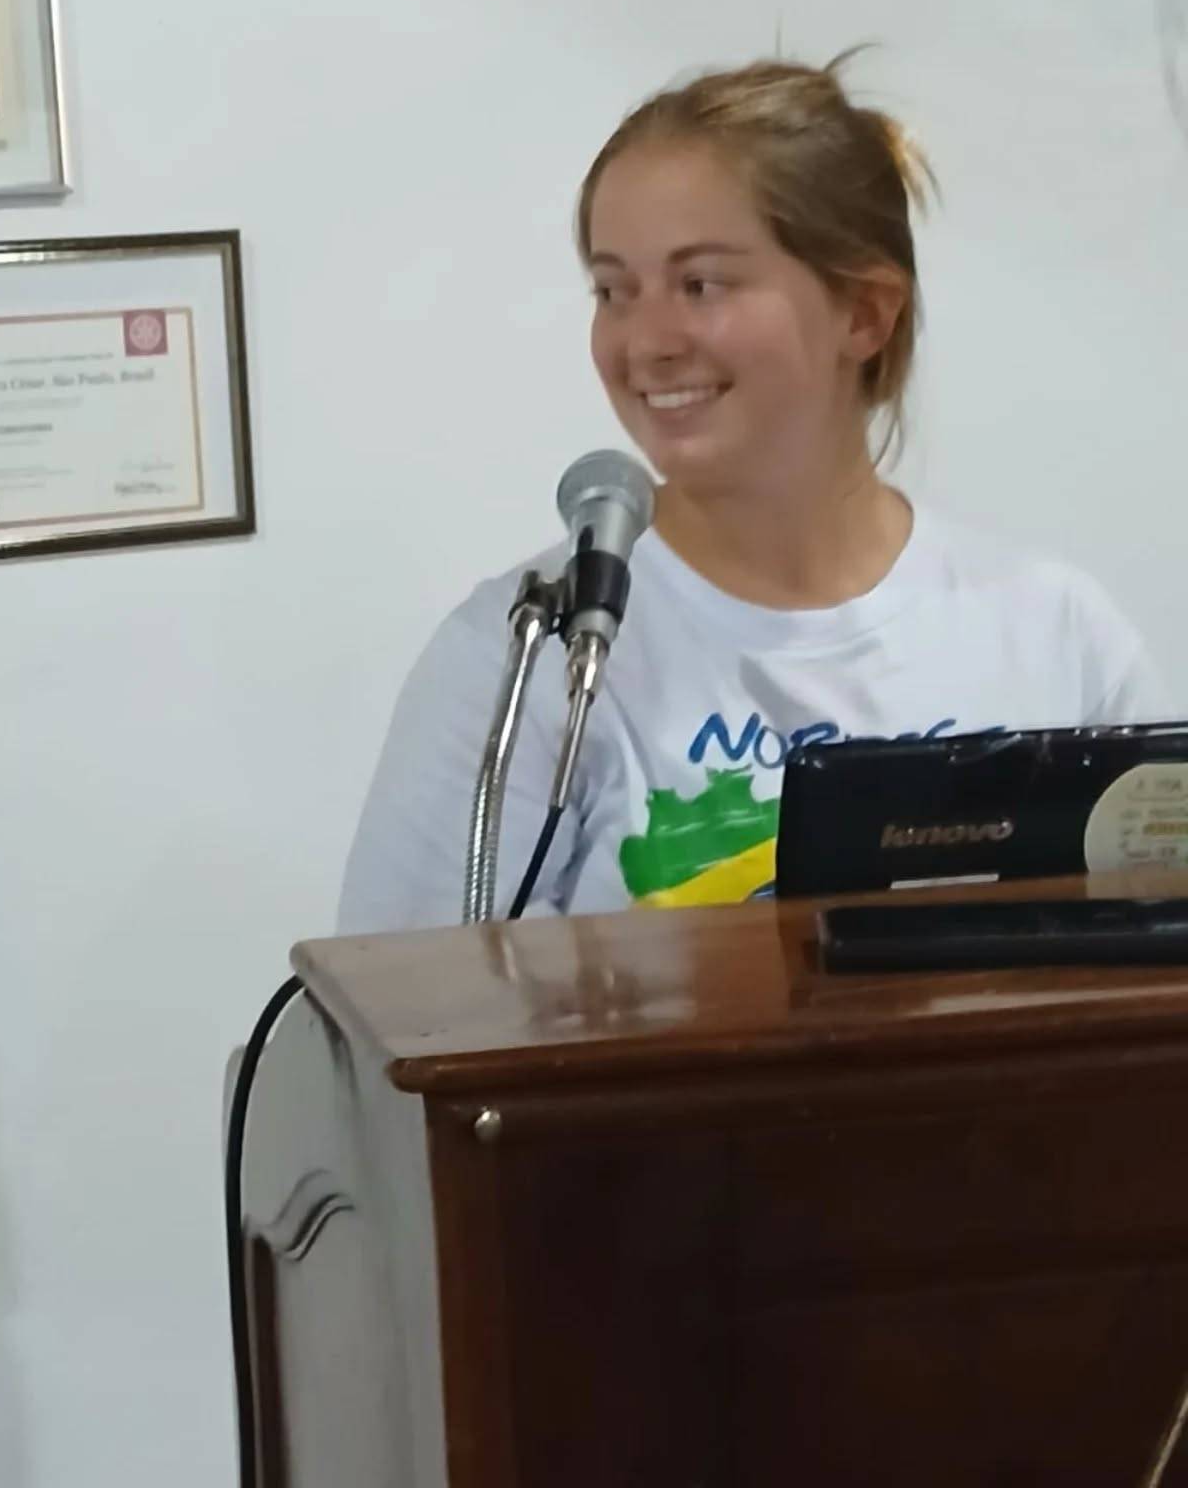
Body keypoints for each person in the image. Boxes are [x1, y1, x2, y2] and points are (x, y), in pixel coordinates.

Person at [337, 54, 1167, 931]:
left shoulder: (1054, 633)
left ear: (864, 313)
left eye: (701, 285)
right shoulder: (525, 656)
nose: (646, 342)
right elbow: (401, 1001)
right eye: (614, 290)